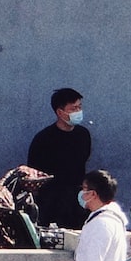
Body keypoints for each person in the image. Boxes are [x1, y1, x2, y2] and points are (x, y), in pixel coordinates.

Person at [26, 87, 91, 229]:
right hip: (51, 200)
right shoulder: (43, 139)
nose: (78, 111)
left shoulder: (83, 135)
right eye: (73, 108)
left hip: (77, 200)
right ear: (60, 112)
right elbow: (34, 174)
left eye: (79, 107)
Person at [73, 169, 129, 261]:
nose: (81, 193)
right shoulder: (110, 220)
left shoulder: (101, 224)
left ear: (93, 194)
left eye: (84, 189)